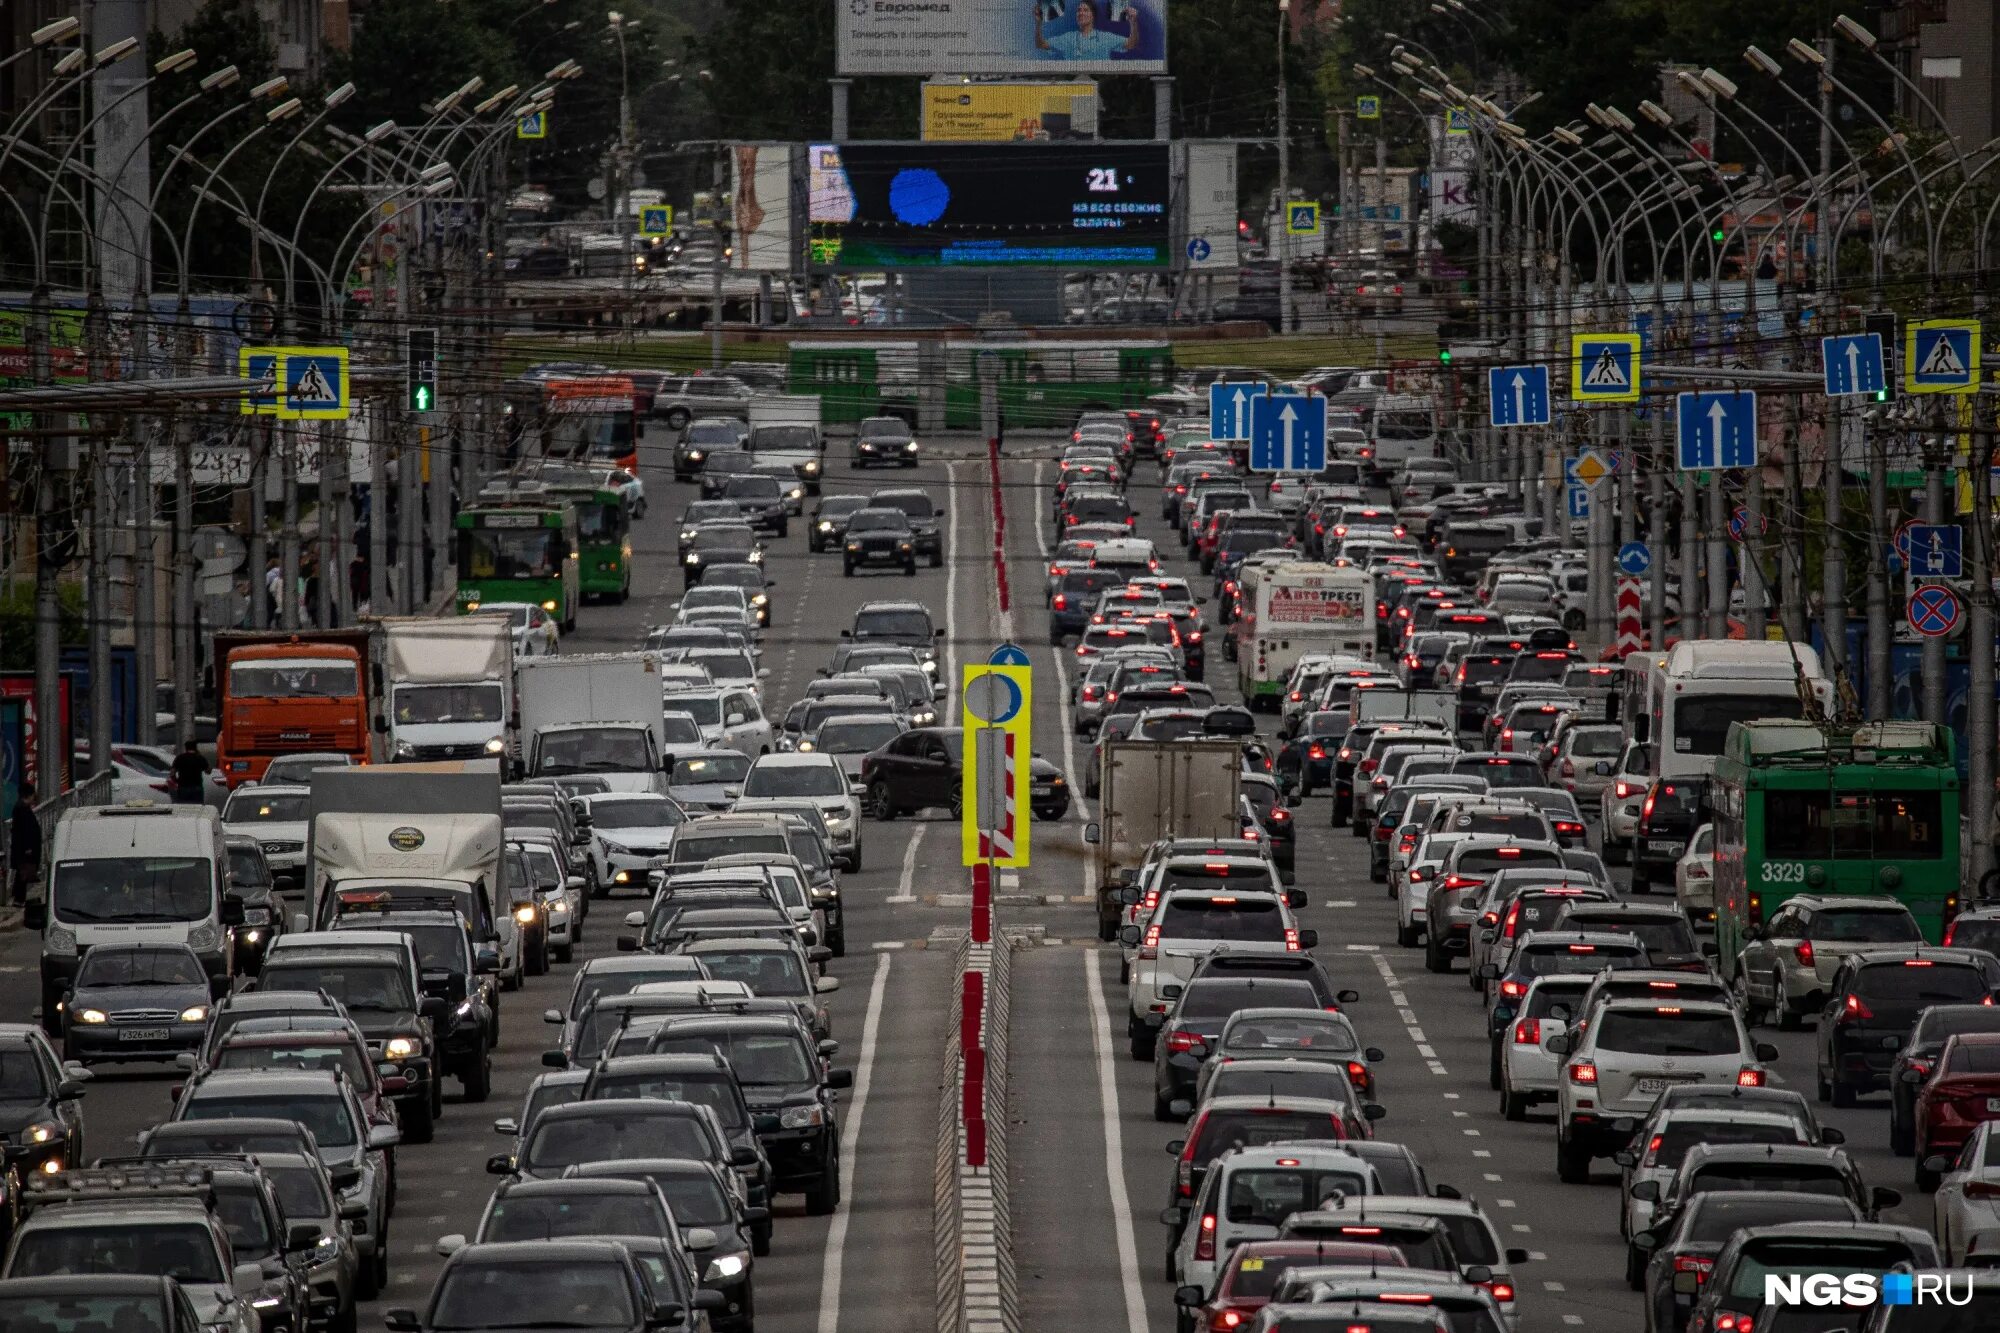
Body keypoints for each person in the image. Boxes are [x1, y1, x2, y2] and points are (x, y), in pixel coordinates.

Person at [1035, 0, 1140, 59]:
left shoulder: (1105, 38)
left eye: (1085, 10)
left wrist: (1133, 23)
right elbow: (1041, 44)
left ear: (1092, 15)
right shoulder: (1068, 38)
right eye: (1079, 10)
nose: (1081, 13)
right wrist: (1039, 22)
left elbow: (1131, 44)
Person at [9, 782, 40, 907]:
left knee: (22, 873)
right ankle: (19, 899)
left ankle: (19, 898)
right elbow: (24, 830)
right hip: (24, 850)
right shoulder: (22, 809)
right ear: (29, 795)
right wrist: (28, 848)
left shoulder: (22, 808)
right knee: (23, 873)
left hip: (23, 849)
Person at [170, 741, 209, 806]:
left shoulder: (180, 758)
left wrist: (176, 780)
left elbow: (172, 773)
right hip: (197, 787)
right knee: (198, 808)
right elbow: (208, 771)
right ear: (195, 748)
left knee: (183, 808)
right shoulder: (200, 758)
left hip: (183, 787)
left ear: (186, 748)